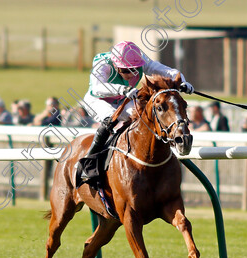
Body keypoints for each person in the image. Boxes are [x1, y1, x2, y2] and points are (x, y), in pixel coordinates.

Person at [78, 40, 193, 186]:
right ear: (115, 64)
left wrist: (182, 81)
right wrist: (122, 89)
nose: (132, 74)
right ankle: (88, 163)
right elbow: (97, 88)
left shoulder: (140, 58)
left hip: (123, 100)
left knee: (143, 118)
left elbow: (167, 71)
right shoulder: (103, 63)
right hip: (98, 100)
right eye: (126, 70)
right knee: (110, 119)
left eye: (135, 69)